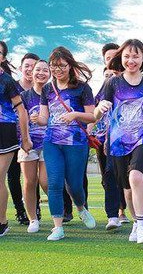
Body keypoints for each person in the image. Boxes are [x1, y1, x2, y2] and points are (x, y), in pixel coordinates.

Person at [95, 39, 143, 244]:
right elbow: (97, 114)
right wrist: (100, 108)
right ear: (121, 58)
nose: (131, 60)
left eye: (135, 56)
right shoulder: (113, 83)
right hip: (118, 140)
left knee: (135, 177)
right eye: (127, 56)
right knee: (127, 190)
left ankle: (142, 226)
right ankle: (136, 221)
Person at [37, 47, 97, 241]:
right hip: (52, 142)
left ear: (70, 65)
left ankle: (81, 208)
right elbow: (44, 118)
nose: (58, 70)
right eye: (54, 66)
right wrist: (36, 119)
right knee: (54, 183)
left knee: (74, 185)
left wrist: (75, 114)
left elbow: (92, 116)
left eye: (62, 66)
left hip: (76, 143)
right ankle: (58, 227)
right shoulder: (47, 89)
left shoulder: (82, 88)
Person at [0, 58, 32, 237]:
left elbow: (21, 110)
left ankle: (2, 222)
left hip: (5, 130)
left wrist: (25, 138)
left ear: (2, 58)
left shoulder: (7, 81)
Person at [91, 67, 125, 230]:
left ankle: (128, 210)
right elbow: (94, 116)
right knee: (109, 174)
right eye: (107, 75)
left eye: (114, 74)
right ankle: (113, 214)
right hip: (104, 139)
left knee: (127, 175)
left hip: (127, 138)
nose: (110, 77)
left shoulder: (128, 90)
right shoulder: (99, 96)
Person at [19, 60, 50, 233]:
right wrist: (25, 140)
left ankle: (58, 214)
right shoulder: (24, 96)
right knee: (30, 181)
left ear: (50, 74)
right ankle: (33, 219)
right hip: (28, 144)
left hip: (48, 144)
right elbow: (20, 119)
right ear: (32, 73)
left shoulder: (53, 94)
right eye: (38, 70)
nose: (41, 73)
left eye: (45, 70)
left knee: (46, 182)